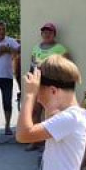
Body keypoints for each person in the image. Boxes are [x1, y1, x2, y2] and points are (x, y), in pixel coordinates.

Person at [25, 22, 69, 151]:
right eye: (44, 32)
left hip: (52, 84)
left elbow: (67, 64)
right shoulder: (36, 48)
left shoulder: (59, 48)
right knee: (35, 111)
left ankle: (49, 141)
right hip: (37, 84)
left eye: (49, 32)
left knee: (51, 113)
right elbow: (32, 64)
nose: (46, 34)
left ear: (54, 34)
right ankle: (35, 140)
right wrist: (30, 77)